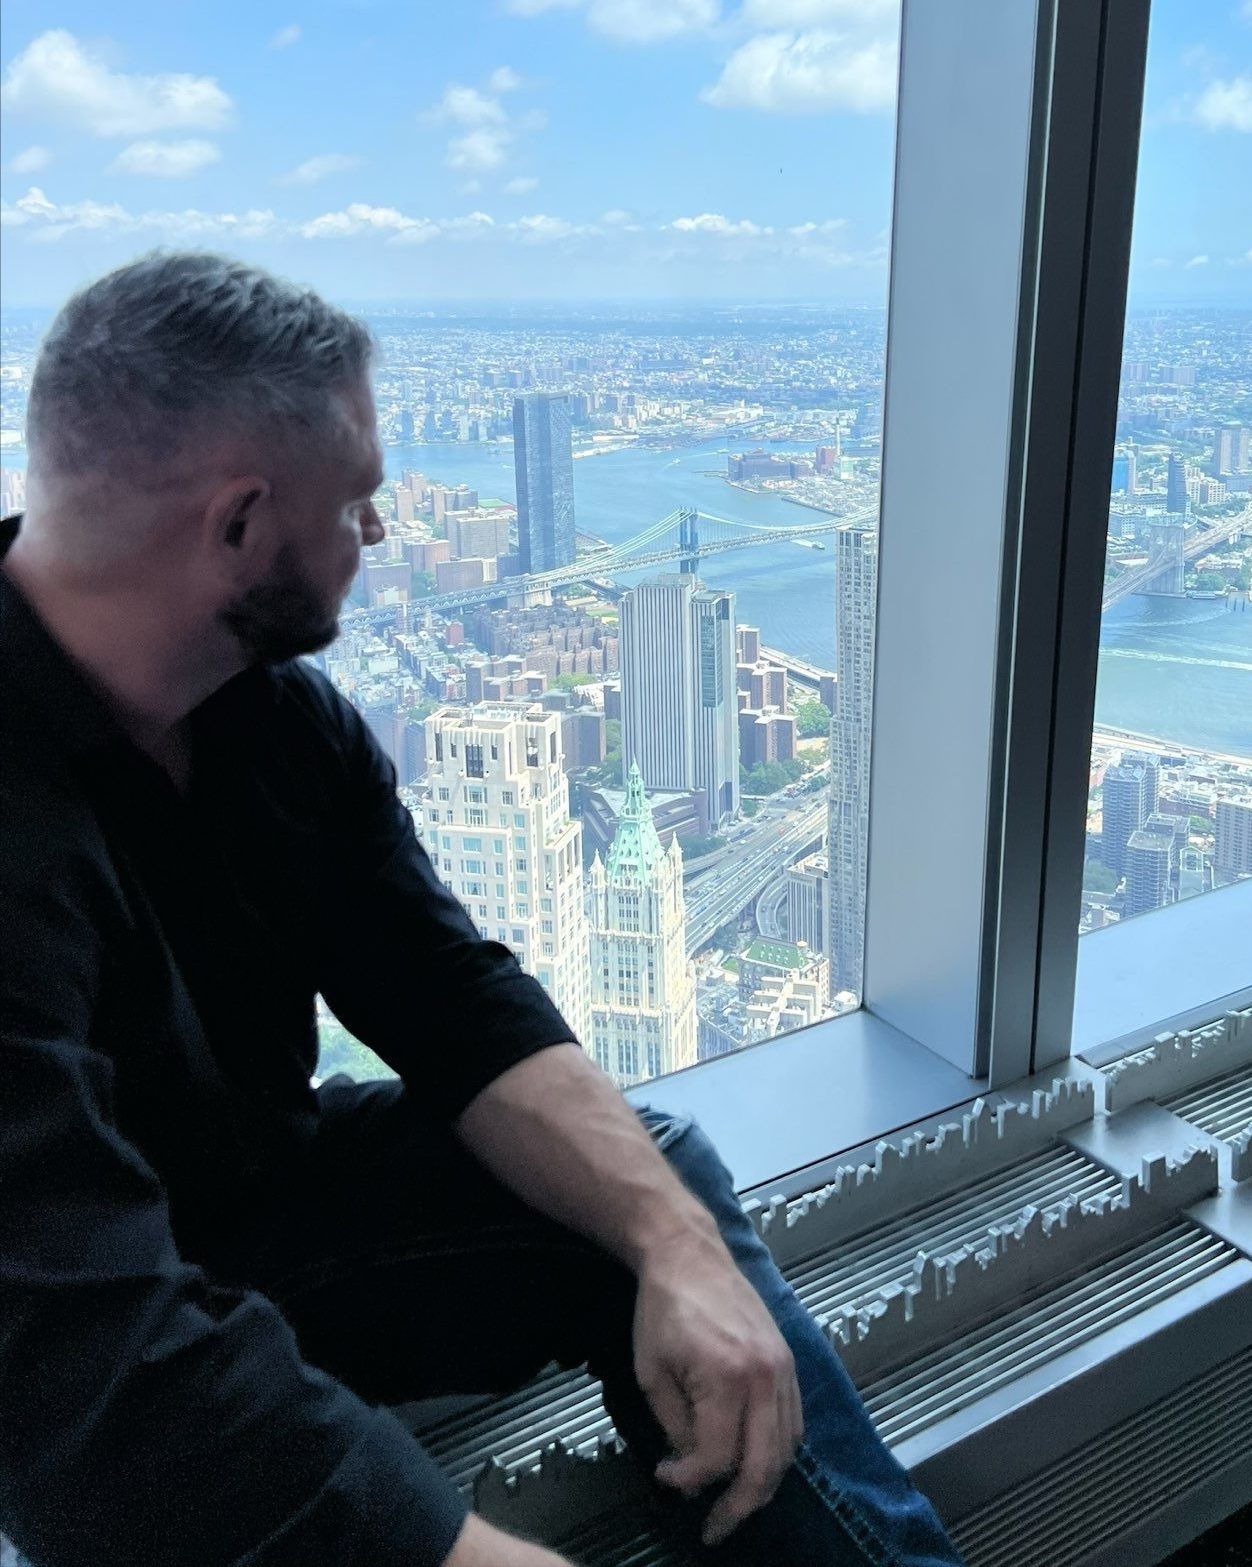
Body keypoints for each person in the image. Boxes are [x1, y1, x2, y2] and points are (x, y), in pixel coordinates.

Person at [0, 253, 964, 1567]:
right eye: (359, 504)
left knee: (645, 1182)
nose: (380, 538)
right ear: (237, 524)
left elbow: (448, 998)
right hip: (68, 1357)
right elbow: (76, 1362)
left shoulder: (274, 719)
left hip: (252, 1224)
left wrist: (677, 1249)